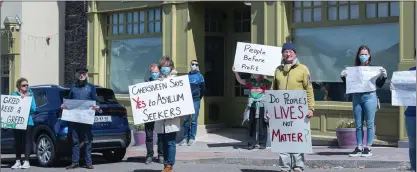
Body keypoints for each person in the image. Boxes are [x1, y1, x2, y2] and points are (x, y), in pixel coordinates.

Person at [272, 42, 315, 172]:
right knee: (283, 140)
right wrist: (271, 109)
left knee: (297, 140)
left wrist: (311, 108)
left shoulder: (303, 69)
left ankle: (298, 166)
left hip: (298, 111)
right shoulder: (278, 70)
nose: (288, 53)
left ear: (295, 53)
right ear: (282, 54)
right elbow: (273, 91)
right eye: (285, 51)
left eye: (291, 51)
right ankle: (284, 167)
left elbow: (309, 89)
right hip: (282, 112)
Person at [340, 45, 387, 157]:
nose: (364, 56)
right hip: (357, 97)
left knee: (370, 123)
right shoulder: (354, 69)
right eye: (362, 54)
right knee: (358, 124)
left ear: (369, 55)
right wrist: (343, 77)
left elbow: (379, 85)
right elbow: (349, 85)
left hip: (370, 97)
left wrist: (384, 76)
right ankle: (359, 146)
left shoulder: (373, 69)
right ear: (358, 56)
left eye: (365, 54)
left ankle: (368, 147)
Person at [63, 68, 101, 170]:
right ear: (76, 75)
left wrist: (97, 107)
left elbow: (96, 101)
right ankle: (75, 162)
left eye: (83, 73)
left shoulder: (91, 87)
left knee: (87, 141)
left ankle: (88, 163)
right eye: (80, 73)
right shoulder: (73, 87)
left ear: (86, 75)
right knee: (75, 142)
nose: (81, 75)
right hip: (75, 119)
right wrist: (64, 106)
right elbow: (69, 101)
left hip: (86, 119)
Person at [390, 49, 416, 171]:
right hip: (412, 114)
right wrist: (394, 87)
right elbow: (401, 90)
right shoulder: (410, 73)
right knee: (413, 145)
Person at [233, 67, 271, 150]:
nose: (255, 74)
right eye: (254, 73)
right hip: (252, 105)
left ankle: (262, 143)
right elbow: (241, 81)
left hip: (262, 105)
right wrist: (236, 72)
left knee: (263, 124)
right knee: (251, 124)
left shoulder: (265, 82)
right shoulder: (250, 81)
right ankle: (251, 143)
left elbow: (273, 84)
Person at [154, 56, 179, 172]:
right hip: (160, 117)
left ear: (171, 67)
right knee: (162, 141)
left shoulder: (176, 80)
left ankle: (170, 165)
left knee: (170, 141)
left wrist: (174, 112)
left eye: (167, 66)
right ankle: (165, 164)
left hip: (172, 116)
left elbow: (180, 99)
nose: (165, 68)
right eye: (163, 66)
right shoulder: (157, 80)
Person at [10, 78, 36, 169]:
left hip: (28, 122)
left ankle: (26, 161)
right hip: (16, 122)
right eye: (24, 85)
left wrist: (26, 100)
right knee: (17, 141)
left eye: (27, 85)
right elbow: (10, 107)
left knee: (27, 141)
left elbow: (34, 109)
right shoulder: (14, 95)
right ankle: (17, 161)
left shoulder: (31, 95)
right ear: (19, 86)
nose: (26, 87)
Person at [179, 60, 206, 146]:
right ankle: (185, 137)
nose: (194, 66)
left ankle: (192, 138)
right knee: (186, 120)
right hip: (187, 101)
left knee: (194, 120)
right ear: (190, 65)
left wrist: (198, 97)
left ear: (198, 66)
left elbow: (203, 89)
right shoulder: (186, 76)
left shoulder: (200, 76)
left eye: (196, 64)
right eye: (192, 64)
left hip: (195, 100)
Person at [144, 64, 164, 164]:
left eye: (156, 72)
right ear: (150, 73)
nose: (155, 74)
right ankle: (149, 155)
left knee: (160, 134)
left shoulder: (163, 83)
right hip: (149, 113)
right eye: (153, 72)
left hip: (160, 112)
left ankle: (161, 155)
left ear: (159, 72)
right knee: (149, 135)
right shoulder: (146, 83)